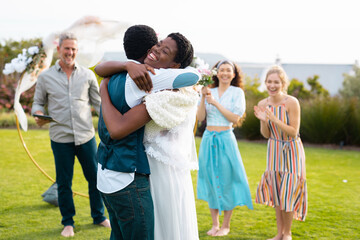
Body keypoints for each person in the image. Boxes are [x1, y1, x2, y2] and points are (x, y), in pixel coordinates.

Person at [95, 25, 200, 240]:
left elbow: (98, 68)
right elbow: (193, 76)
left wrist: (105, 87)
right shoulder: (145, 78)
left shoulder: (127, 75)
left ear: (174, 65)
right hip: (131, 174)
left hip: (114, 171)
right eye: (158, 45)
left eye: (164, 51)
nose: (158, 50)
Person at [31, 32, 110, 237]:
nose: (70, 52)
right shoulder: (45, 77)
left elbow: (99, 105)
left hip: (86, 136)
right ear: (59, 49)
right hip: (60, 138)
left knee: (95, 179)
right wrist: (38, 114)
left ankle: (99, 216)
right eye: (67, 48)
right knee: (64, 182)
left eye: (74, 49)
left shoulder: (87, 75)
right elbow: (38, 103)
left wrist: (111, 125)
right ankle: (68, 223)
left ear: (77, 50)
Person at [196, 60, 253, 236]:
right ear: (216, 73)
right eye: (222, 70)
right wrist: (204, 98)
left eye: (229, 70)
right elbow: (200, 118)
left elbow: (235, 118)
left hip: (226, 139)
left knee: (227, 180)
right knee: (211, 179)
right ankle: (215, 224)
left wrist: (215, 103)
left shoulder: (237, 93)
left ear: (234, 74)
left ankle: (226, 225)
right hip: (208, 139)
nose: (225, 73)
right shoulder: (208, 91)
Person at [254, 65, 307, 240]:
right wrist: (264, 121)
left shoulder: (291, 102)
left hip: (291, 149)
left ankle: (287, 233)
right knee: (277, 191)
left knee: (288, 191)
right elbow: (266, 134)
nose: (272, 85)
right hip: (274, 149)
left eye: (276, 82)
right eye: (269, 81)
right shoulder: (263, 104)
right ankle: (279, 234)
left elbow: (293, 131)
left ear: (283, 83)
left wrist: (274, 119)